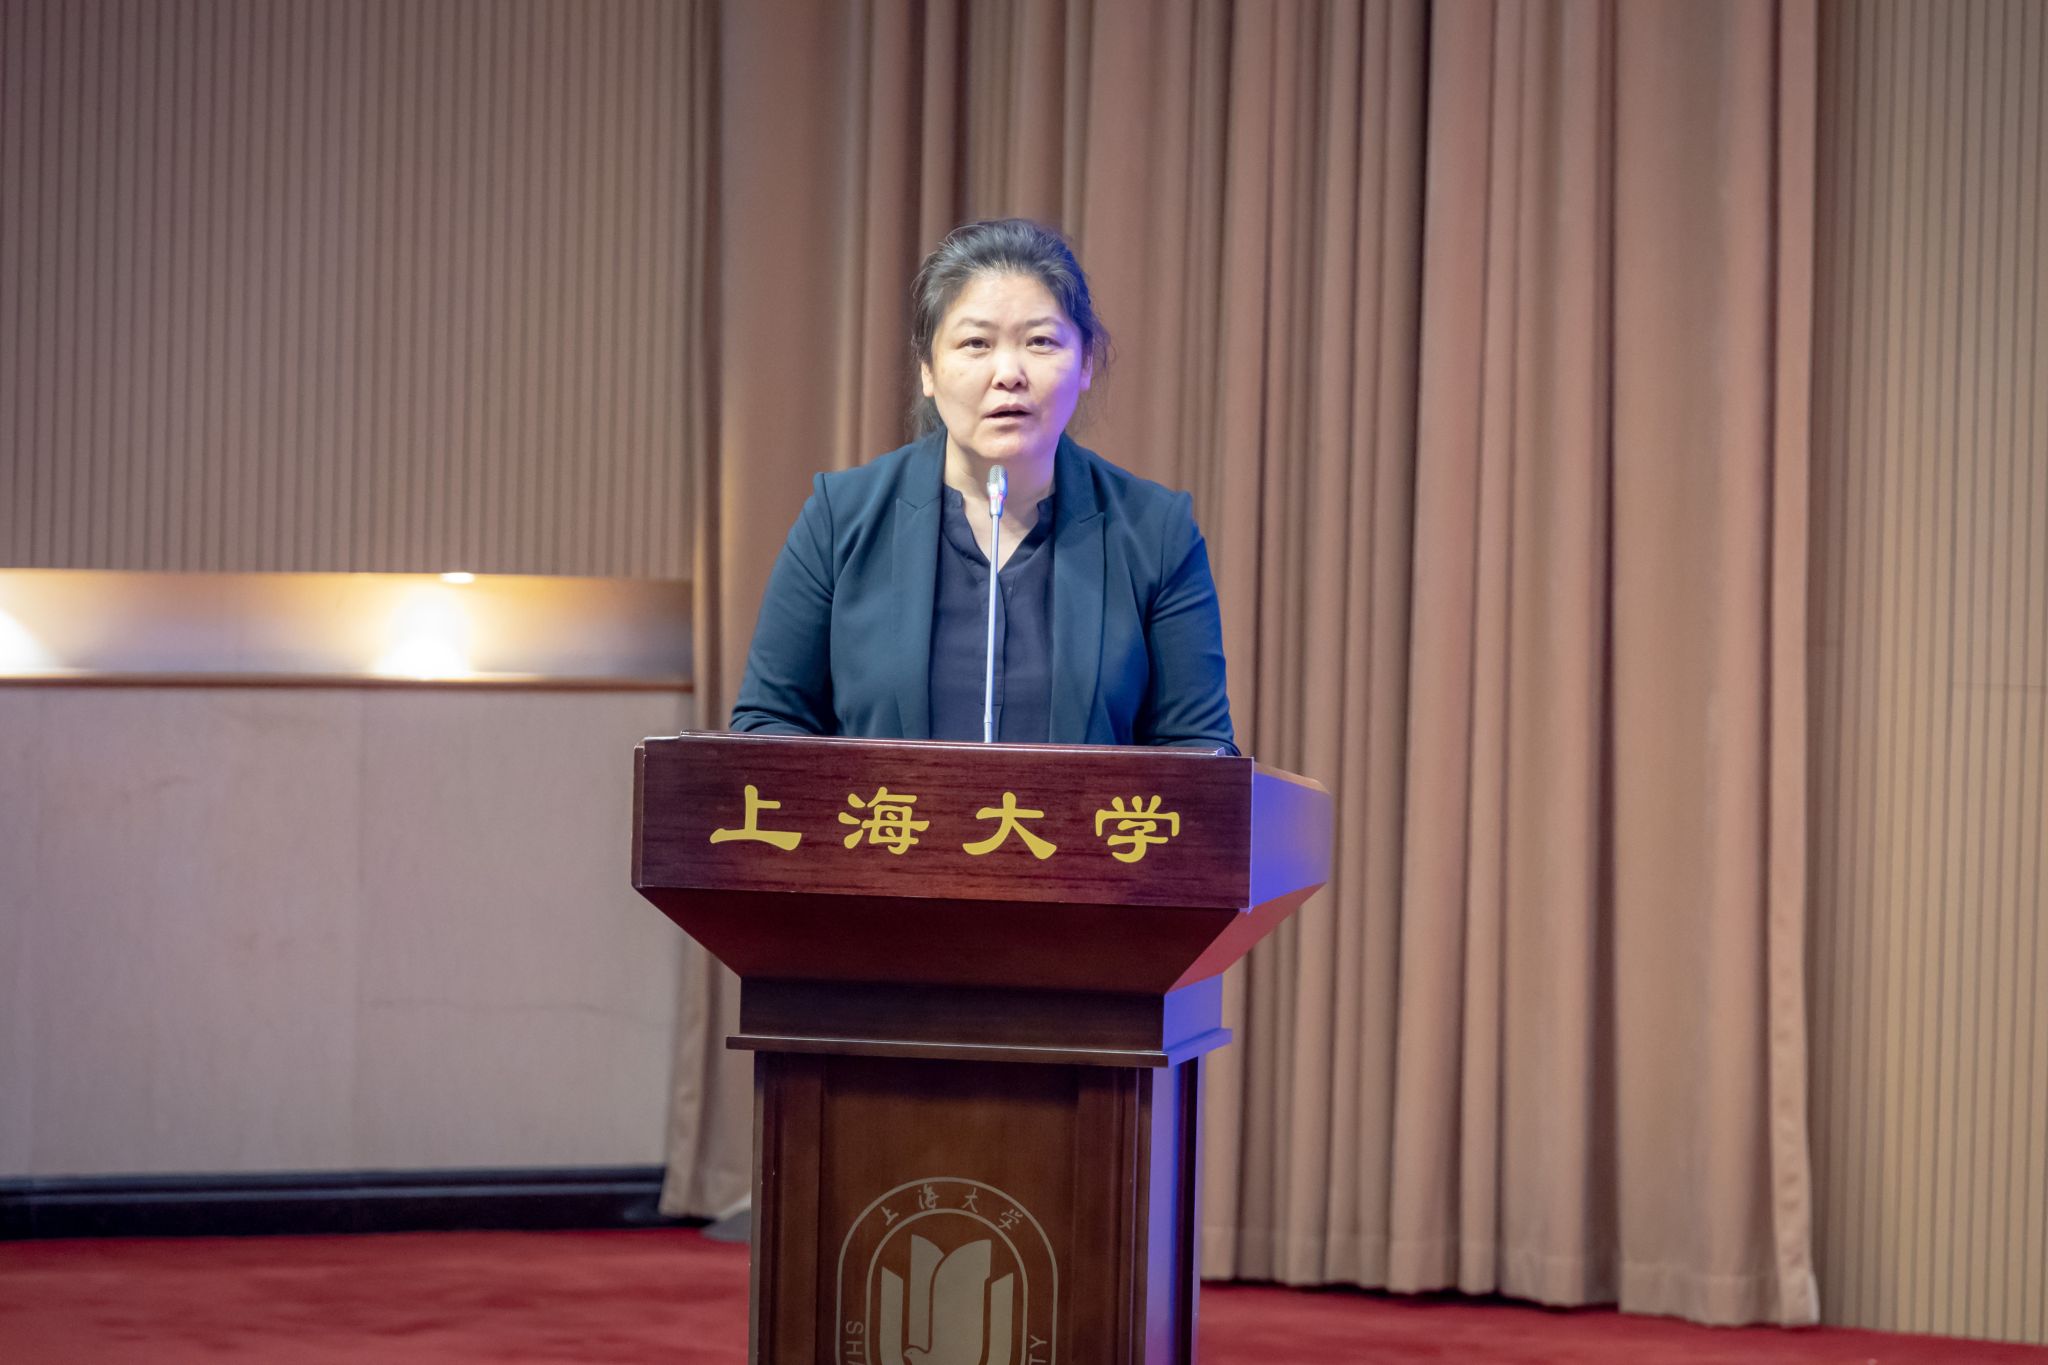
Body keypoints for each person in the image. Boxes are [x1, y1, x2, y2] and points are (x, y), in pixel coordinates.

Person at [730, 218, 1235, 753]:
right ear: (928, 369)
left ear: (1086, 362)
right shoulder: (841, 518)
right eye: (976, 343)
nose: (1009, 373)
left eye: (1040, 341)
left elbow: (1199, 752)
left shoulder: (1156, 534)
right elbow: (766, 726)